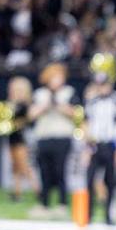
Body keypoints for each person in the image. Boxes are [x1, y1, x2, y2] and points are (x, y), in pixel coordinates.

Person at [83, 54, 116, 225]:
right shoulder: (92, 102)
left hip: (111, 145)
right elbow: (87, 124)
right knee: (89, 180)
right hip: (95, 145)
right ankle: (88, 214)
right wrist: (86, 148)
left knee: (111, 182)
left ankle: (109, 216)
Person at [30, 63, 78, 219]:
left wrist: (57, 103)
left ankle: (62, 204)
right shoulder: (40, 94)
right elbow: (32, 114)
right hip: (44, 136)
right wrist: (47, 103)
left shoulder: (68, 92)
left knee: (60, 172)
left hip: (62, 136)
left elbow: (75, 113)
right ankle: (44, 204)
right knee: (44, 172)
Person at [5, 76, 37, 203]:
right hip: (13, 138)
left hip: (22, 138)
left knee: (25, 167)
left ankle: (38, 192)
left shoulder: (24, 104)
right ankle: (17, 192)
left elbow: (26, 120)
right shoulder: (11, 103)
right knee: (16, 167)